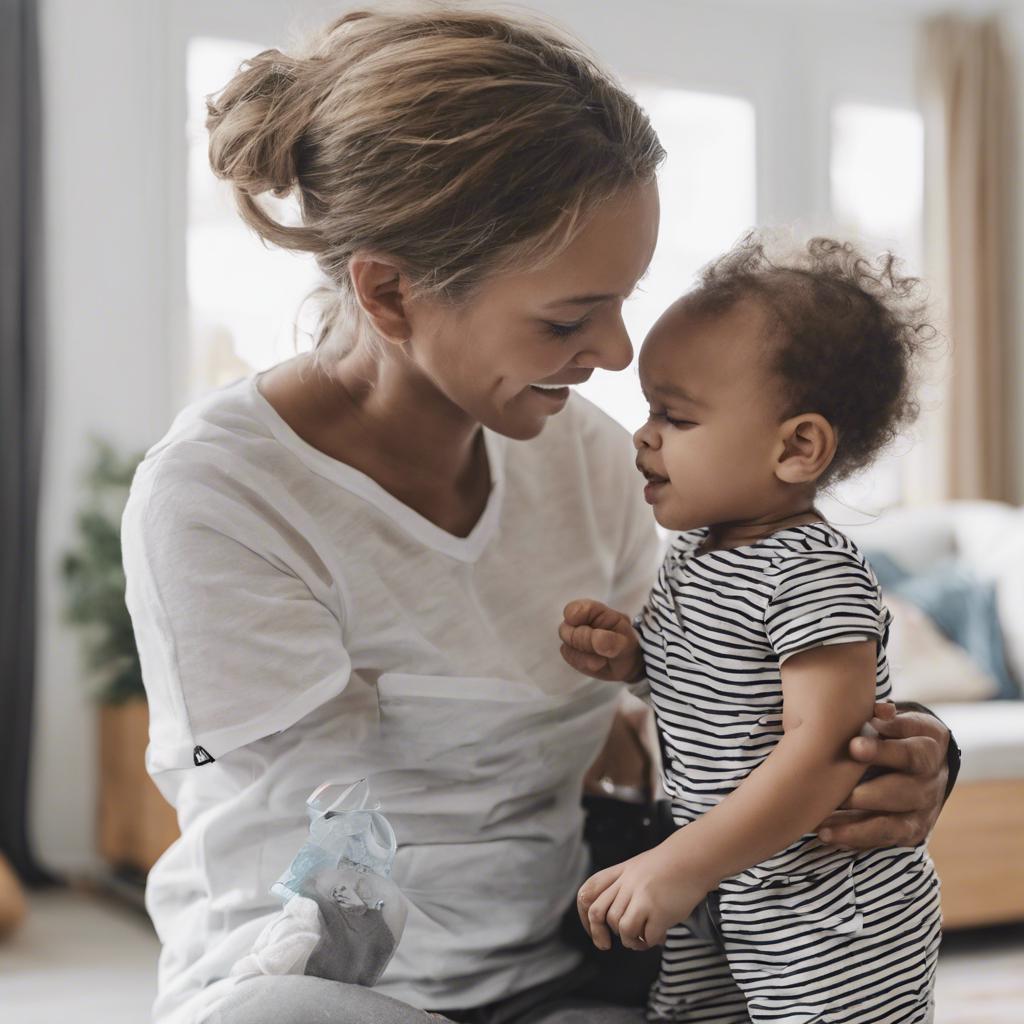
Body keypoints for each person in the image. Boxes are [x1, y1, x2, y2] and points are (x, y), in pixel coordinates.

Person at [121, 9, 955, 1024]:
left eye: (622, 300)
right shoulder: (220, 495)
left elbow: (721, 690)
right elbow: (318, 853)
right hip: (323, 988)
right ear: (388, 291)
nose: (613, 352)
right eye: (566, 317)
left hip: (565, 979)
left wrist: (904, 757)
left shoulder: (597, 461)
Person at [561, 236, 942, 1023]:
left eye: (675, 416)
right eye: (647, 411)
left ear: (798, 447)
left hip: (827, 907)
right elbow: (713, 685)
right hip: (725, 881)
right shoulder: (694, 554)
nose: (643, 436)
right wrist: (634, 656)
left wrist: (678, 865)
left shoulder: (812, 572)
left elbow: (825, 751)